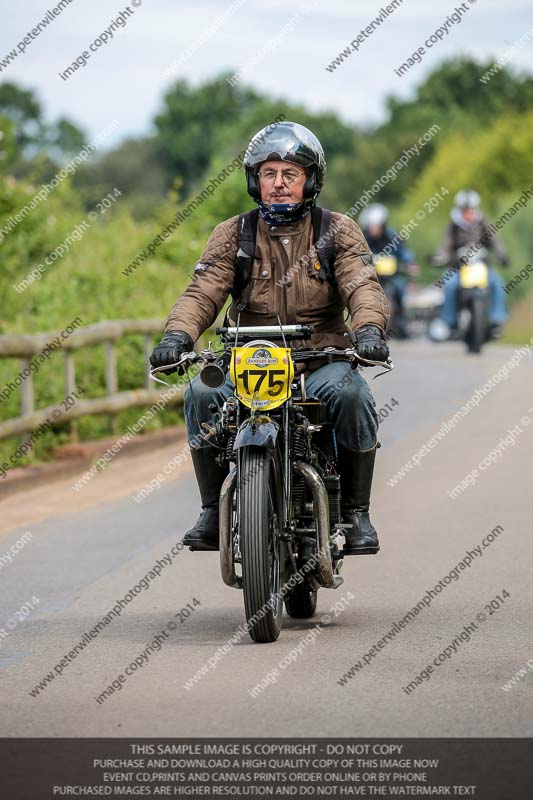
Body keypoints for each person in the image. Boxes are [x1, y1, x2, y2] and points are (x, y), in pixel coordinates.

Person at [150, 121, 390, 555]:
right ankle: (210, 509)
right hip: (248, 358)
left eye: (290, 174)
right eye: (268, 173)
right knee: (202, 394)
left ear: (310, 180)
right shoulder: (233, 234)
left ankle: (356, 513)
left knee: (353, 395)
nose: (278, 184)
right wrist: (177, 336)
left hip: (320, 360)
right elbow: (203, 292)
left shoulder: (339, 230)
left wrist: (369, 328)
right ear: (254, 181)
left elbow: (361, 284)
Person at [433, 189, 508, 336]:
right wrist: (440, 257)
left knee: (497, 283)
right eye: (465, 210)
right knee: (449, 285)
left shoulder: (483, 221)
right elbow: (445, 245)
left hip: (481, 267)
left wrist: (502, 255)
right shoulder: (453, 225)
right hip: (458, 267)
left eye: (471, 209)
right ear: (460, 210)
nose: (469, 213)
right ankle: (450, 322)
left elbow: (495, 241)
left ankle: (496, 321)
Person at [359, 203, 416, 338]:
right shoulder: (362, 238)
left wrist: (410, 263)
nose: (374, 229)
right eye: (372, 226)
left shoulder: (392, 237)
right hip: (372, 276)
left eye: (377, 226)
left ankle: (402, 322)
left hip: (392, 276)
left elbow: (404, 253)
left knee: (401, 289)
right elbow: (355, 254)